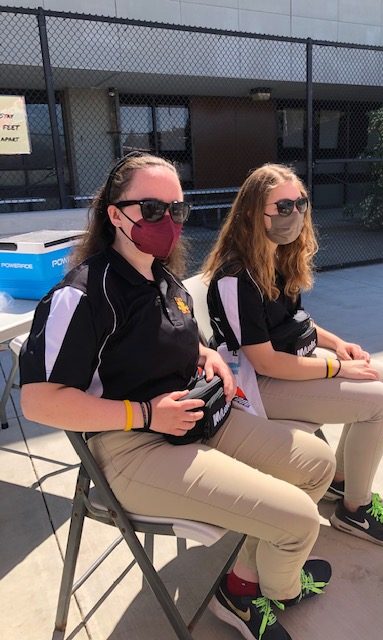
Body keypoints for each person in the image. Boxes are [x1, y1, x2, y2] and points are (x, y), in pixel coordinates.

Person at [19, 152, 337, 640]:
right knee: (297, 520)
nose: (166, 221)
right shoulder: (83, 296)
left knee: (316, 463)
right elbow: (40, 402)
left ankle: (246, 585)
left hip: (195, 414)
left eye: (177, 210)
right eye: (151, 209)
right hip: (132, 446)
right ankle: (276, 589)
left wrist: (204, 355)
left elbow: (176, 336)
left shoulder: (161, 276)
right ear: (115, 214)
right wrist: (144, 413)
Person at [204, 163, 383, 549]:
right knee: (379, 404)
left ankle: (340, 483)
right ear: (253, 212)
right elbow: (264, 361)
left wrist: (338, 344)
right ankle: (356, 508)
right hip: (257, 385)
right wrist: (335, 367)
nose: (295, 214)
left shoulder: (279, 257)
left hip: (292, 367)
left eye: (300, 203)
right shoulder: (236, 276)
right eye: (282, 207)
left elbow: (296, 323)